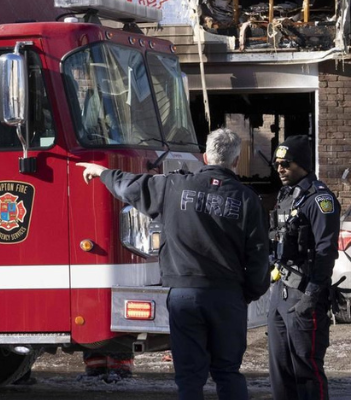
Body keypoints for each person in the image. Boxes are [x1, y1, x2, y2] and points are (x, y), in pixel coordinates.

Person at [77, 128, 270, 400]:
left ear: (204, 156)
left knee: (190, 377)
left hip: (184, 296)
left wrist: (102, 173)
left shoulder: (173, 187)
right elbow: (260, 256)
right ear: (236, 161)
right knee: (227, 371)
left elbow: (132, 186)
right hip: (228, 297)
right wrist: (248, 293)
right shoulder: (247, 200)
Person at [267, 135, 340, 400]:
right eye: (276, 164)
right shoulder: (287, 195)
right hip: (280, 292)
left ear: (302, 164)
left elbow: (326, 251)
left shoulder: (319, 199)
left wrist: (312, 295)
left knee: (306, 370)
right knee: (280, 370)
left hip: (304, 295)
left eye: (286, 163)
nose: (280, 169)